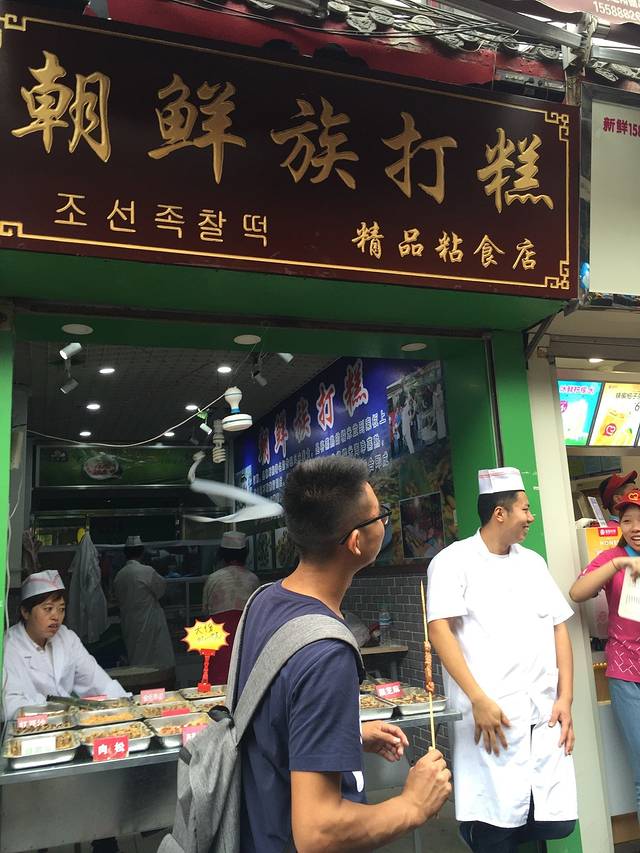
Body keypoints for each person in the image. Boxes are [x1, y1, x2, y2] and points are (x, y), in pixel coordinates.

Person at [236, 457, 451, 852]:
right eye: (380, 515)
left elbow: (271, 723)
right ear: (355, 542)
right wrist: (412, 805)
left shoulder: (262, 602)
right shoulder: (327, 653)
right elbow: (318, 831)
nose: (385, 523)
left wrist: (345, 736)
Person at [427, 466, 577, 853]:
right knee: (494, 827)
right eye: (525, 509)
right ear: (499, 513)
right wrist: (477, 698)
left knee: (553, 820)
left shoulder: (533, 563)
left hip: (540, 715)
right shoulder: (453, 561)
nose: (531, 517)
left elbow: (558, 627)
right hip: (490, 714)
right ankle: (478, 834)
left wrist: (565, 698)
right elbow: (439, 630)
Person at [570, 489, 640, 824]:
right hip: (626, 673)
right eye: (627, 521)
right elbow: (577, 592)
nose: (635, 527)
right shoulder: (612, 558)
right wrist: (617, 563)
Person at [2, 570, 128, 720]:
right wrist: (54, 709)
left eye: (61, 609)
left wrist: (125, 705)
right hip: (32, 728)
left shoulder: (67, 637)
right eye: (48, 609)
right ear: (25, 612)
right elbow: (10, 706)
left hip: (67, 723)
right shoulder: (9, 646)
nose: (56, 616)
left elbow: (96, 680)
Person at [202, 531, 260, 682]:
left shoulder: (213, 578)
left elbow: (205, 611)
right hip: (246, 632)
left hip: (217, 634)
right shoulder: (253, 579)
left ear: (222, 554)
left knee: (218, 675)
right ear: (245, 554)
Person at [113, 536, 174, 672]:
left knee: (137, 659)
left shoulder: (119, 575)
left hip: (130, 623)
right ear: (141, 553)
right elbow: (161, 589)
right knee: (157, 662)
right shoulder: (147, 571)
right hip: (149, 622)